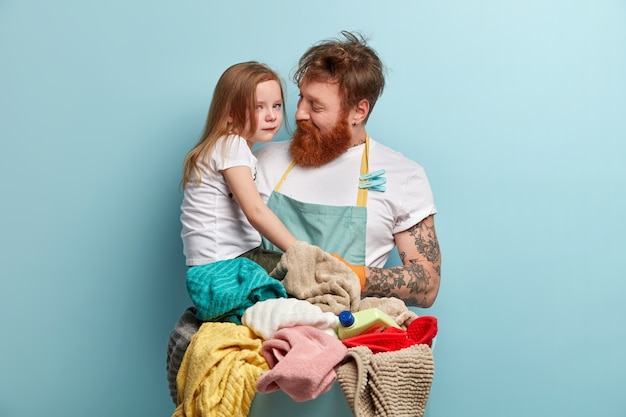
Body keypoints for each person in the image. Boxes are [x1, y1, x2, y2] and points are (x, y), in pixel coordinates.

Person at [254, 31, 441, 307]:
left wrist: (353, 275)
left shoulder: (404, 177)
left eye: (315, 106)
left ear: (359, 111)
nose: (299, 114)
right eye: (301, 98)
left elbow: (427, 285)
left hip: (347, 331)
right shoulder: (263, 160)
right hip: (262, 326)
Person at [180, 61, 296, 273]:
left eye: (276, 105)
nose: (271, 115)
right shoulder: (231, 144)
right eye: (258, 107)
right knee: (308, 273)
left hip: (217, 260)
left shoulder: (224, 147)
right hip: (227, 263)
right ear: (230, 113)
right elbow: (255, 211)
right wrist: (301, 252)